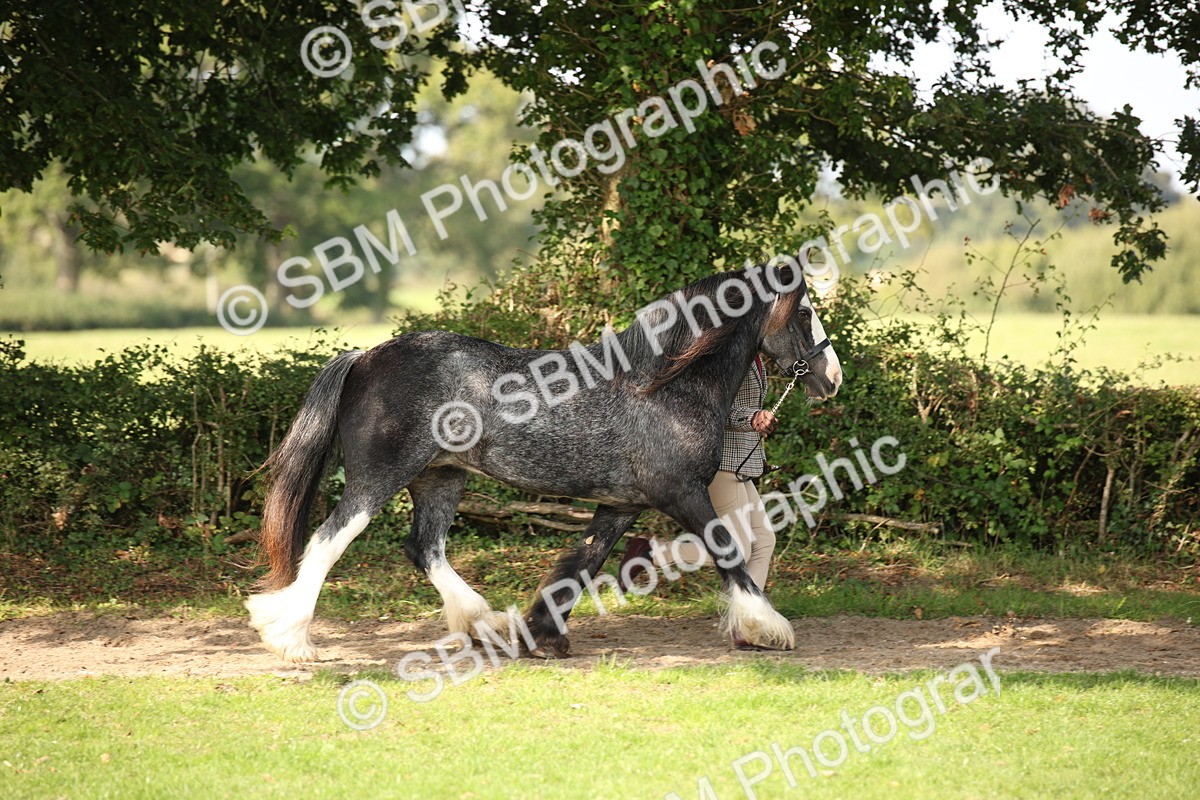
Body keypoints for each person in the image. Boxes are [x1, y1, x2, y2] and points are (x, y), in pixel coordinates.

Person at [618, 354, 779, 648]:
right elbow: (711, 409)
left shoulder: (752, 354)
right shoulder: (725, 357)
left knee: (764, 540)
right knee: (739, 549)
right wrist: (752, 418)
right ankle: (651, 553)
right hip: (722, 463)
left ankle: (748, 624)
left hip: (744, 463)